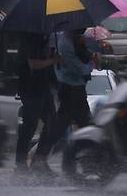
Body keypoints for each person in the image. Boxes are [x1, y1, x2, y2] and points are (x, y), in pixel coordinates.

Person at [36, 28, 96, 174]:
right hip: (71, 90)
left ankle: (87, 162)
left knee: (83, 125)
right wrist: (92, 65)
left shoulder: (73, 40)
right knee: (62, 126)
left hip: (76, 89)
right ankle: (40, 158)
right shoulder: (65, 44)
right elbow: (77, 68)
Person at [14, 33, 58, 176]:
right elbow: (33, 64)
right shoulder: (31, 39)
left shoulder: (44, 39)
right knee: (29, 126)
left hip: (43, 88)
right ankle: (20, 165)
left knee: (52, 123)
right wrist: (53, 60)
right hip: (31, 89)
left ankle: (39, 161)